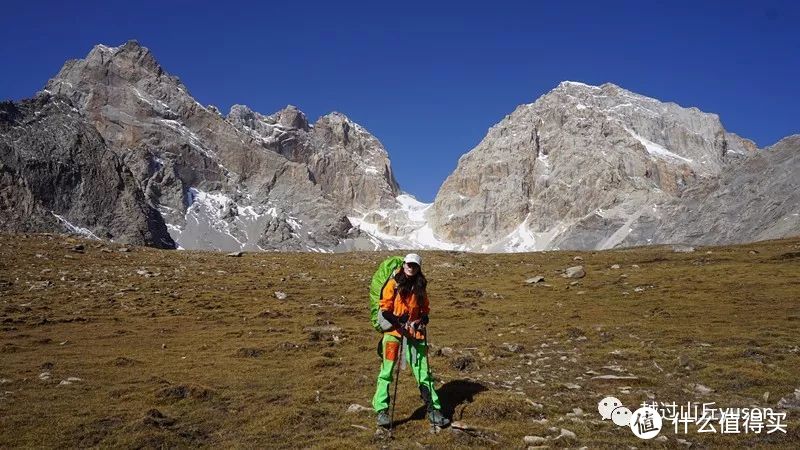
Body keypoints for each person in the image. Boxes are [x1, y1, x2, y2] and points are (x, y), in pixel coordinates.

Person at [371, 253, 449, 428]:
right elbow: (385, 309)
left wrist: (423, 319)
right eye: (408, 264)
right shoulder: (393, 284)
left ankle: (433, 410)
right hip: (393, 333)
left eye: (414, 265)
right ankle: (382, 411)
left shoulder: (421, 286)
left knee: (423, 373)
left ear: (418, 268)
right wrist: (398, 321)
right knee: (387, 371)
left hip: (415, 334)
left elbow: (425, 310)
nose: (411, 268)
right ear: (404, 264)